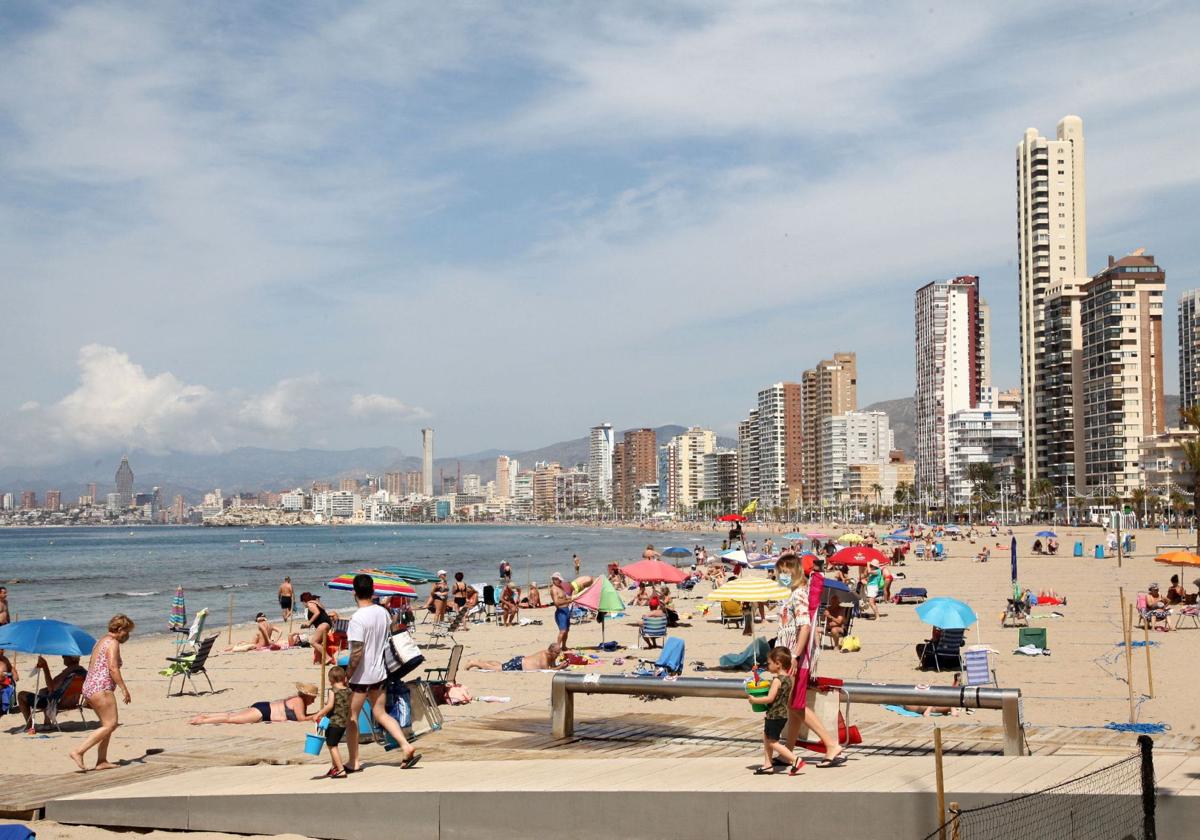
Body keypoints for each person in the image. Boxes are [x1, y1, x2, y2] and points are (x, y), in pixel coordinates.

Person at [773, 555, 844, 767]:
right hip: (789, 656)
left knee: (796, 705)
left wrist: (795, 655)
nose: (780, 577)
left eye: (784, 573)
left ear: (793, 572)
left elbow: (804, 626)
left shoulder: (799, 594)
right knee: (793, 705)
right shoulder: (790, 594)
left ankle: (831, 744)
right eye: (779, 573)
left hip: (795, 658)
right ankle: (790, 751)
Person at [345, 573, 420, 771]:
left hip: (362, 676)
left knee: (351, 716)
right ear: (373, 591)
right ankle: (406, 745)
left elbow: (357, 652)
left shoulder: (357, 619)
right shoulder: (382, 613)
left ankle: (353, 761)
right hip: (380, 672)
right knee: (380, 713)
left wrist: (348, 674)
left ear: (354, 592)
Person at [69, 614, 134, 772]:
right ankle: (78, 751)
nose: (128, 635)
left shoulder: (100, 641)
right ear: (119, 629)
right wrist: (124, 688)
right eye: (127, 631)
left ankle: (102, 760)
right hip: (101, 687)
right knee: (111, 724)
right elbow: (113, 667)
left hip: (90, 686)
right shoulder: (112, 643)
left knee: (107, 725)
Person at [749, 647, 804, 776]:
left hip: (774, 715)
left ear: (778, 664)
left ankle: (796, 760)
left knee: (772, 742)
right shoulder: (789, 679)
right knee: (767, 737)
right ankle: (768, 765)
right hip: (782, 714)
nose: (767, 666)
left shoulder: (777, 680)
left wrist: (754, 700)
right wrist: (756, 673)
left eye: (769, 663)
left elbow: (770, 698)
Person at [17, 655, 85, 733]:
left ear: (70, 658)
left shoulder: (68, 673)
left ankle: (29, 725)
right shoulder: (82, 671)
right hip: (73, 702)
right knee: (43, 690)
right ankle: (47, 723)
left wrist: (45, 667)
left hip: (57, 704)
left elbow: (51, 687)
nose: (62, 658)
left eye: (64, 656)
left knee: (21, 695)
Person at [189, 684, 319, 725]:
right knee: (231, 719)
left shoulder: (298, 700)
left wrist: (316, 713)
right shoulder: (299, 701)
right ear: (307, 695)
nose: (313, 701)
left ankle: (206, 716)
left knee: (232, 715)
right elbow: (302, 719)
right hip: (264, 712)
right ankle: (202, 721)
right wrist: (318, 714)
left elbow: (302, 716)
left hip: (264, 707)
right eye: (312, 698)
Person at [314, 667, 351, 778]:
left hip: (334, 722)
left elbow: (330, 706)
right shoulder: (348, 691)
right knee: (333, 743)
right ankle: (334, 767)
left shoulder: (332, 691)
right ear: (344, 678)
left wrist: (319, 714)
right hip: (343, 723)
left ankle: (340, 770)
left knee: (332, 745)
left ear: (331, 680)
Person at [465, 643, 565, 672]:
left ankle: (482, 662)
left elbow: (552, 666)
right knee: (496, 669)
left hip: (520, 662)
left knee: (501, 665)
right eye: (557, 653)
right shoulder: (544, 656)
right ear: (551, 651)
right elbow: (546, 669)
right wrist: (559, 667)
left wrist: (561, 665)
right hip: (519, 664)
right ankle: (473, 662)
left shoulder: (551, 655)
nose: (558, 654)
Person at [300, 592, 335, 664]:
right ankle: (318, 661)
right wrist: (307, 625)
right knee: (318, 642)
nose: (302, 604)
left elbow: (317, 612)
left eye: (302, 602)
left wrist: (309, 623)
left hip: (323, 624)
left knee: (313, 642)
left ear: (304, 601)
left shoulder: (310, 604)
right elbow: (322, 611)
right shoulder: (316, 603)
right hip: (327, 624)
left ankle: (328, 658)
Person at [550, 573, 572, 649]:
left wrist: (571, 599)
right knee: (562, 631)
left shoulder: (560, 587)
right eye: (558, 580)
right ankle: (557, 647)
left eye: (560, 580)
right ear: (554, 579)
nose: (560, 581)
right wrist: (568, 601)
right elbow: (556, 603)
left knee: (566, 630)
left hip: (566, 610)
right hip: (560, 612)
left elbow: (564, 599)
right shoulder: (554, 589)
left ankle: (564, 646)